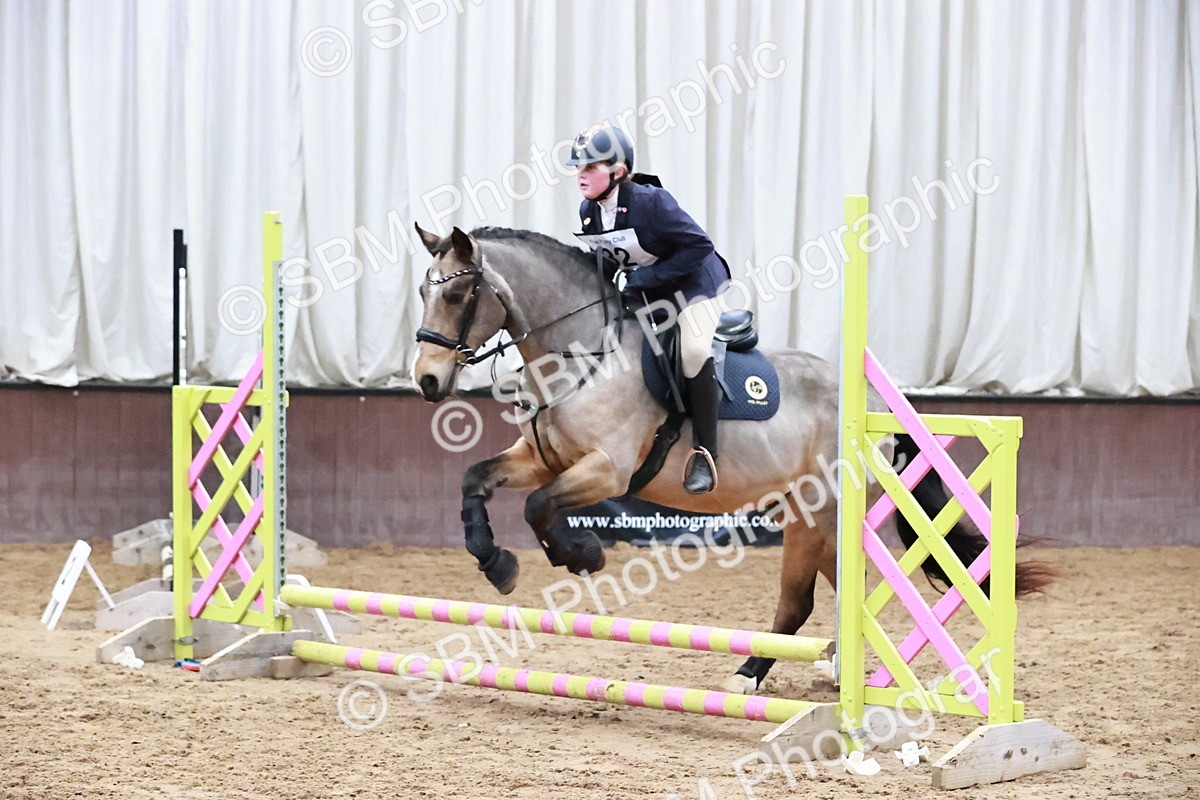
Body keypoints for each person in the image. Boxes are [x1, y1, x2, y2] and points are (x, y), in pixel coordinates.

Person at [567, 124, 731, 494]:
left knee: (692, 350)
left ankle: (705, 452)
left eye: (591, 167)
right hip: (653, 290)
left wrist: (646, 277)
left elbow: (699, 247)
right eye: (579, 167)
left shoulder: (651, 202)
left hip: (696, 284)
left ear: (618, 172)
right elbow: (611, 260)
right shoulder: (589, 211)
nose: (581, 175)